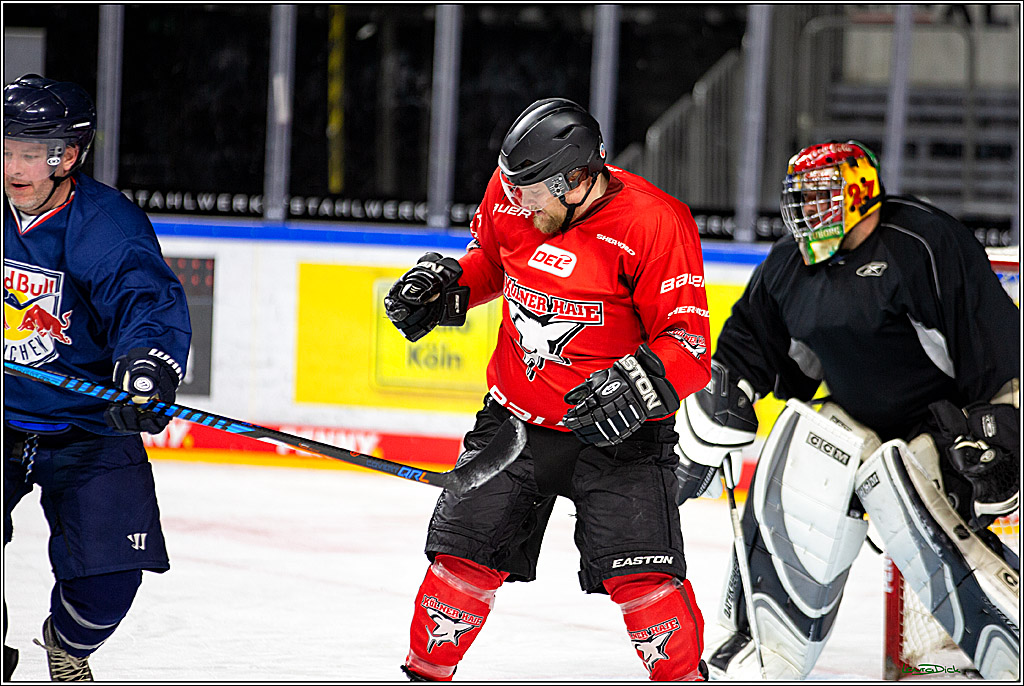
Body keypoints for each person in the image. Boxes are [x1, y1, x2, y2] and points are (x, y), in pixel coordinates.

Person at [384, 98, 713, 681]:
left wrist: (637, 384)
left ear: (578, 178)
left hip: (619, 439)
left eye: (532, 192)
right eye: (511, 188)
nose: (518, 202)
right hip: (514, 426)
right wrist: (448, 287)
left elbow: (687, 345)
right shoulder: (515, 191)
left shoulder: (655, 223)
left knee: (645, 587)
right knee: (461, 560)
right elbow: (493, 259)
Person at [673, 140, 1019, 679]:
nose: (805, 212)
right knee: (802, 449)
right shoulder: (790, 263)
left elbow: (995, 344)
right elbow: (749, 346)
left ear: (858, 191)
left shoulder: (923, 243)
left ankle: (1009, 643)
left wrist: (1001, 433)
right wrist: (726, 394)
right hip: (860, 423)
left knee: (905, 489)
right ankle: (763, 646)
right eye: (800, 199)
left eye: (819, 197)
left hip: (948, 430)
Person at [3, 74, 191, 681]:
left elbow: (145, 304)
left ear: (69, 155)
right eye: (5, 148)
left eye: (31, 152)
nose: (14, 166)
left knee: (108, 582)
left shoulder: (106, 225)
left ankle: (66, 641)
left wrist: (148, 368)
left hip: (86, 425)